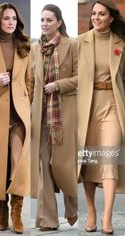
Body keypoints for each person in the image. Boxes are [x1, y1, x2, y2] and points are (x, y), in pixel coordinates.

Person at [0, 2, 33, 234]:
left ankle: (17, 212)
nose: (11, 22)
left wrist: (27, 101)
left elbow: (30, 79)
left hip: (19, 115)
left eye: (14, 18)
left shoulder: (25, 45)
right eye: (6, 18)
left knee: (18, 163)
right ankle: (2, 212)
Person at [78, 0, 125, 234]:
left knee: (108, 159)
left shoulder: (121, 43)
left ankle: (107, 218)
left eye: (101, 14)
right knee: (89, 160)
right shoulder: (80, 42)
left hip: (113, 106)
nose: (96, 17)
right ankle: (91, 212)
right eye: (94, 13)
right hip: (86, 107)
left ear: (111, 17)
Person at [31, 4, 78, 231]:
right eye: (42, 20)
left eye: (49, 20)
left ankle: (72, 208)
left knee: (61, 164)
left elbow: (82, 77)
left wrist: (57, 85)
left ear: (59, 22)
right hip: (41, 117)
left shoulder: (72, 45)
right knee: (44, 169)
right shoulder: (35, 49)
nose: (44, 24)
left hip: (64, 115)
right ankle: (48, 220)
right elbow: (31, 82)